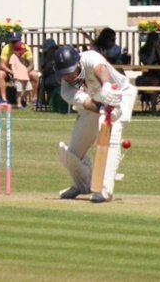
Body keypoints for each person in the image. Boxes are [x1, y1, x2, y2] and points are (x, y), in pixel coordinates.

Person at [50, 44, 136, 203]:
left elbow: (101, 70)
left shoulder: (89, 57)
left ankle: (105, 190)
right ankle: (83, 186)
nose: (69, 78)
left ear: (78, 64)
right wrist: (105, 107)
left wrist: (108, 87)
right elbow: (90, 105)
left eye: (70, 72)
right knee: (71, 156)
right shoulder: (66, 91)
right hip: (97, 105)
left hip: (121, 95)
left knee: (111, 135)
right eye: (64, 74)